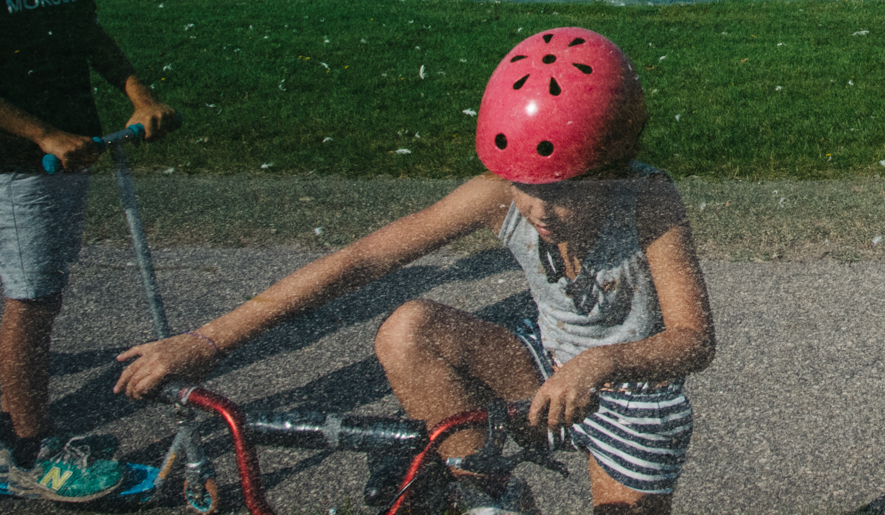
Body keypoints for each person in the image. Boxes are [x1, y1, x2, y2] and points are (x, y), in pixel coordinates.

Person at [116, 28, 715, 515]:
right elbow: (360, 261)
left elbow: (694, 340)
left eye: (558, 192)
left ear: (612, 164)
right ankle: (491, 495)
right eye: (522, 188)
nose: (536, 211)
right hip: (543, 367)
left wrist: (603, 363)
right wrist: (207, 340)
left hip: (635, 391)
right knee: (407, 329)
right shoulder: (499, 199)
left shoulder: (648, 200)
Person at [0, 0, 177, 502]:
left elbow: (87, 35)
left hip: (64, 148)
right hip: (22, 159)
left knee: (32, 288)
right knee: (32, 297)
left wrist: (139, 94)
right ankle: (27, 447)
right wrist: (40, 133)